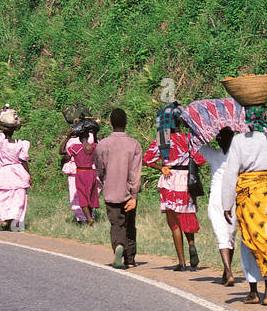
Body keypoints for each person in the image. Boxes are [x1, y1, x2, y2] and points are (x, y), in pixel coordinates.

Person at [220, 104, 267, 304]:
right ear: (264, 116)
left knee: (250, 241)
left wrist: (226, 203)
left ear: (247, 118)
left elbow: (230, 174)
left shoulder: (238, 141)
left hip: (248, 198)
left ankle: (253, 291)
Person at [143, 123, 206, 271]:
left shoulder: (162, 140)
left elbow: (147, 159)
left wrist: (161, 167)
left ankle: (181, 262)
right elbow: (201, 160)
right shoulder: (190, 138)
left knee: (174, 223)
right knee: (187, 214)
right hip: (187, 180)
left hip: (170, 180)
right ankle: (191, 244)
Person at [95, 107, 142, 268]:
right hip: (129, 193)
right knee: (130, 224)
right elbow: (136, 172)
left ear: (110, 123)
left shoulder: (102, 145)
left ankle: (118, 246)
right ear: (126, 123)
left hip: (111, 191)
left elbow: (99, 168)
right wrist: (134, 195)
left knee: (117, 224)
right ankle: (130, 259)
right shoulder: (134, 144)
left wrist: (104, 180)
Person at [200, 127, 239, 285]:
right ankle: (226, 270)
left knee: (222, 235)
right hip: (234, 197)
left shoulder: (214, 154)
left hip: (217, 198)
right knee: (230, 235)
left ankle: (228, 272)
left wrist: (200, 130)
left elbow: (199, 145)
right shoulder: (237, 156)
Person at [0, 108, 31, 232]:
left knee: (3, 197)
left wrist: (3, 127)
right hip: (19, 172)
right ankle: (15, 221)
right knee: (18, 199)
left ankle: (6, 220)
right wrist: (29, 175)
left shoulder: (0, 142)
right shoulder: (21, 144)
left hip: (4, 173)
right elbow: (24, 161)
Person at [65, 127, 99, 226]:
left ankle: (89, 219)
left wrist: (67, 137)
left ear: (79, 138)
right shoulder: (94, 147)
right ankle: (91, 216)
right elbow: (97, 143)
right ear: (89, 137)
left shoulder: (76, 148)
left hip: (81, 173)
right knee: (91, 195)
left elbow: (62, 151)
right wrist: (95, 135)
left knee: (82, 196)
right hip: (91, 173)